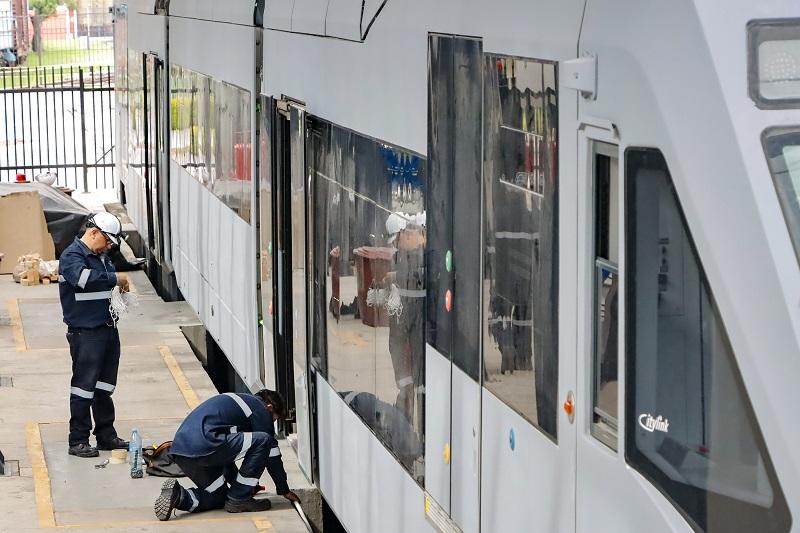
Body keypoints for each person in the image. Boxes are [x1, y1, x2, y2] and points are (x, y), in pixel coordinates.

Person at [153, 389, 301, 521]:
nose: (270, 422)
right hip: (207, 445)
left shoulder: (235, 408)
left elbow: (226, 456)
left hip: (183, 453)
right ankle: (239, 499)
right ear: (269, 406)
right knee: (264, 440)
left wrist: (242, 485)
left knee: (219, 497)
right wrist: (283, 489)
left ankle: (179, 496)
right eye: (273, 419)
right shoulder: (259, 407)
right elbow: (272, 453)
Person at [59, 212, 130, 458]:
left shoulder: (101, 257)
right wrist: (115, 279)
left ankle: (106, 435)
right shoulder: (72, 256)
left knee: (104, 386)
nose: (109, 247)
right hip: (86, 334)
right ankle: (78, 439)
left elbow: (105, 286)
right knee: (83, 388)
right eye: (107, 241)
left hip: (107, 330)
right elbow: (82, 280)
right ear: (93, 232)